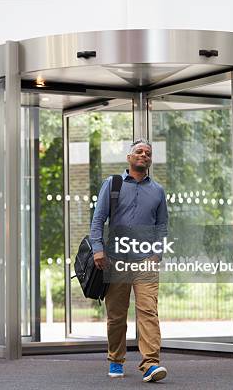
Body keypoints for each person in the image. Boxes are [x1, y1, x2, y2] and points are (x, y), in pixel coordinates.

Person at [89, 139, 168, 383]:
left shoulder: (157, 191)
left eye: (148, 153)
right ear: (129, 157)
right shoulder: (112, 185)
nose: (144, 155)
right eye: (139, 151)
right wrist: (98, 249)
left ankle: (150, 364)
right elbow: (98, 219)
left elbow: (162, 226)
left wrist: (157, 254)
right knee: (116, 314)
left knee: (148, 311)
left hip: (145, 259)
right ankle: (115, 359)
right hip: (116, 260)